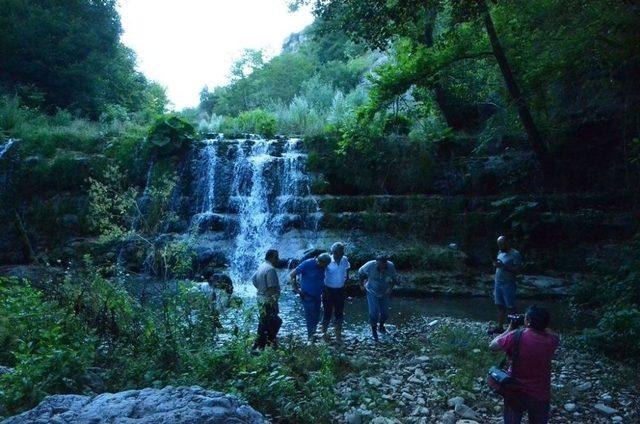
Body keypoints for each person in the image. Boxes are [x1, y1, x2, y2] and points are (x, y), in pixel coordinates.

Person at [490, 305, 559, 424]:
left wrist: (510, 328)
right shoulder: (552, 340)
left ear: (528, 321)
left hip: (516, 390)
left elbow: (493, 345)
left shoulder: (517, 335)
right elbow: (551, 332)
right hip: (540, 393)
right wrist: (535, 324)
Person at [290, 253, 331, 342]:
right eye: (324, 265)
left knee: (317, 315)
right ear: (320, 261)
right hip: (307, 295)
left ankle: (313, 333)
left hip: (318, 295)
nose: (324, 267)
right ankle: (310, 337)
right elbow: (292, 274)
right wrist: (296, 288)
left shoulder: (323, 266)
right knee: (310, 316)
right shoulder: (307, 264)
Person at [358, 253, 398, 341]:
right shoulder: (370, 265)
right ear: (376, 262)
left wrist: (390, 288)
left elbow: (394, 279)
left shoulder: (391, 266)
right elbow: (360, 272)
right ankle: (374, 330)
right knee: (373, 313)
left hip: (384, 292)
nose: (381, 267)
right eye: (379, 265)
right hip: (371, 291)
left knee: (385, 313)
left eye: (383, 265)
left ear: (386, 263)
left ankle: (381, 325)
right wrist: (361, 285)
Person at [489, 235, 523, 335]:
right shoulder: (500, 253)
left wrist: (504, 267)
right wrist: (495, 264)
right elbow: (498, 266)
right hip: (498, 282)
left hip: (508, 283)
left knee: (510, 307)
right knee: (499, 305)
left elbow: (518, 270)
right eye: (499, 244)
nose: (500, 246)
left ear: (507, 243)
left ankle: (513, 328)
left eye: (502, 244)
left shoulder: (515, 254)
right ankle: (500, 327)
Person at [251, 249, 282, 350]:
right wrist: (274, 304)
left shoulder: (261, 266)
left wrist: (261, 289)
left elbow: (253, 280)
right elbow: (272, 288)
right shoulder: (270, 269)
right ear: (271, 257)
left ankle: (262, 343)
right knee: (272, 321)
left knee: (264, 321)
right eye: (276, 257)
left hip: (260, 298)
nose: (278, 259)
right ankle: (266, 343)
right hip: (268, 300)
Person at [321, 242, 350, 343]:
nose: (340, 255)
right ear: (333, 252)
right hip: (328, 290)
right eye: (338, 253)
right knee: (327, 313)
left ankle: (338, 336)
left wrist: (344, 282)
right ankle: (323, 334)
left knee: (339, 313)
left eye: (341, 253)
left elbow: (347, 271)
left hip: (340, 290)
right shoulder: (327, 260)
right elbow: (321, 273)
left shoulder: (345, 259)